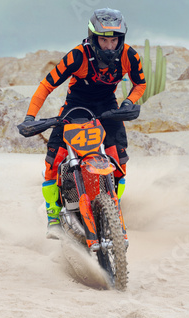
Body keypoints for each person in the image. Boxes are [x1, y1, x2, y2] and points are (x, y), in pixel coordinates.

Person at [22, 8, 146, 240]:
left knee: (119, 160)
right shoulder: (77, 56)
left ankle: (114, 210)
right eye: (104, 40)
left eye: (114, 40)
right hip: (75, 106)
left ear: (121, 39)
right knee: (54, 160)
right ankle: (52, 217)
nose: (110, 46)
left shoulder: (130, 56)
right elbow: (47, 85)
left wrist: (128, 102)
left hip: (108, 108)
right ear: (93, 38)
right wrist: (30, 117)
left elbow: (140, 84)